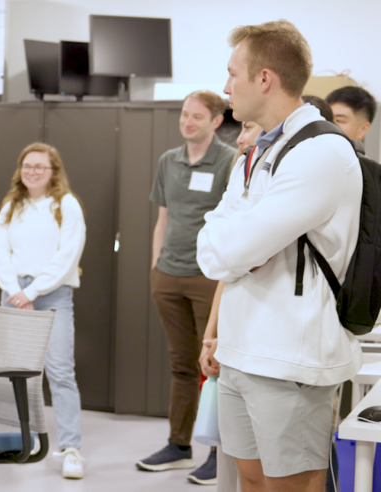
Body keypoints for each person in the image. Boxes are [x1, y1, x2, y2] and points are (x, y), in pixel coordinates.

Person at [198, 20, 361, 492]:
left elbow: (235, 245)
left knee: (292, 483)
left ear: (264, 78)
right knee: (249, 479)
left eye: (233, 74)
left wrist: (235, 244)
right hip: (240, 350)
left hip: (289, 358)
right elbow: (214, 250)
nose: (225, 87)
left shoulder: (321, 151)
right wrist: (234, 245)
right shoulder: (257, 151)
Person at [138, 90, 236, 486]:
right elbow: (163, 218)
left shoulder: (230, 160)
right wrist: (155, 267)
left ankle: (218, 453)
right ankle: (179, 446)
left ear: (215, 121)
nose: (188, 122)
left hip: (208, 279)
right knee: (181, 365)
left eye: (197, 116)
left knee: (213, 366)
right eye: (184, 114)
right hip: (168, 275)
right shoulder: (168, 161)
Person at [0, 142, 86, 479]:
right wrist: (16, 292)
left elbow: (67, 256)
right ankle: (21, 441)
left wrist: (31, 292)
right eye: (27, 166)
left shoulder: (67, 205)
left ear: (53, 172)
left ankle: (71, 448)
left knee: (60, 372)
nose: (32, 171)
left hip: (52, 295)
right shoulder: (10, 207)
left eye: (39, 167)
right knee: (16, 373)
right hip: (14, 294)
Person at [327, 85, 376, 153]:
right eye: (327, 118)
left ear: (362, 130)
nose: (328, 124)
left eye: (338, 120)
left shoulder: (364, 163)